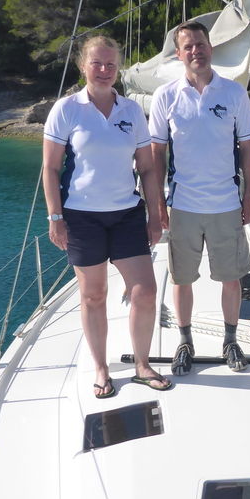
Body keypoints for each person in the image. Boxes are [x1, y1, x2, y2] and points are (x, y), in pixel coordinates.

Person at [42, 35, 171, 399]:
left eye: (111, 65)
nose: (103, 70)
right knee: (94, 295)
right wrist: (55, 217)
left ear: (118, 69)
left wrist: (154, 213)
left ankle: (142, 365)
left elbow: (147, 168)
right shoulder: (67, 109)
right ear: (83, 66)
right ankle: (101, 368)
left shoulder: (131, 111)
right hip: (82, 217)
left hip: (127, 213)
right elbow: (50, 169)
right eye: (97, 63)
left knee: (145, 292)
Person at [149, 21, 250, 376]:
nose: (196, 50)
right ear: (179, 54)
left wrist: (248, 198)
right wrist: (158, 203)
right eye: (188, 47)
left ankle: (230, 340)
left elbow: (246, 149)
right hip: (183, 206)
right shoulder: (166, 96)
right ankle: (185, 340)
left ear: (211, 47)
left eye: (201, 43)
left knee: (232, 277)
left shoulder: (233, 93)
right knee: (182, 279)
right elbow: (157, 154)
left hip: (226, 203)